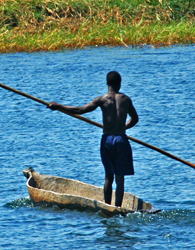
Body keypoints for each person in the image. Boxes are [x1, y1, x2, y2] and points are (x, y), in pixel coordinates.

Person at [47, 71, 139, 207]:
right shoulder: (126, 100)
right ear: (119, 84)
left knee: (109, 176)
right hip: (121, 140)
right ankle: (118, 208)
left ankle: (108, 206)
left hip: (107, 140)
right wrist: (124, 127)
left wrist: (58, 106)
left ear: (107, 84)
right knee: (120, 179)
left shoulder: (101, 100)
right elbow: (135, 119)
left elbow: (80, 110)